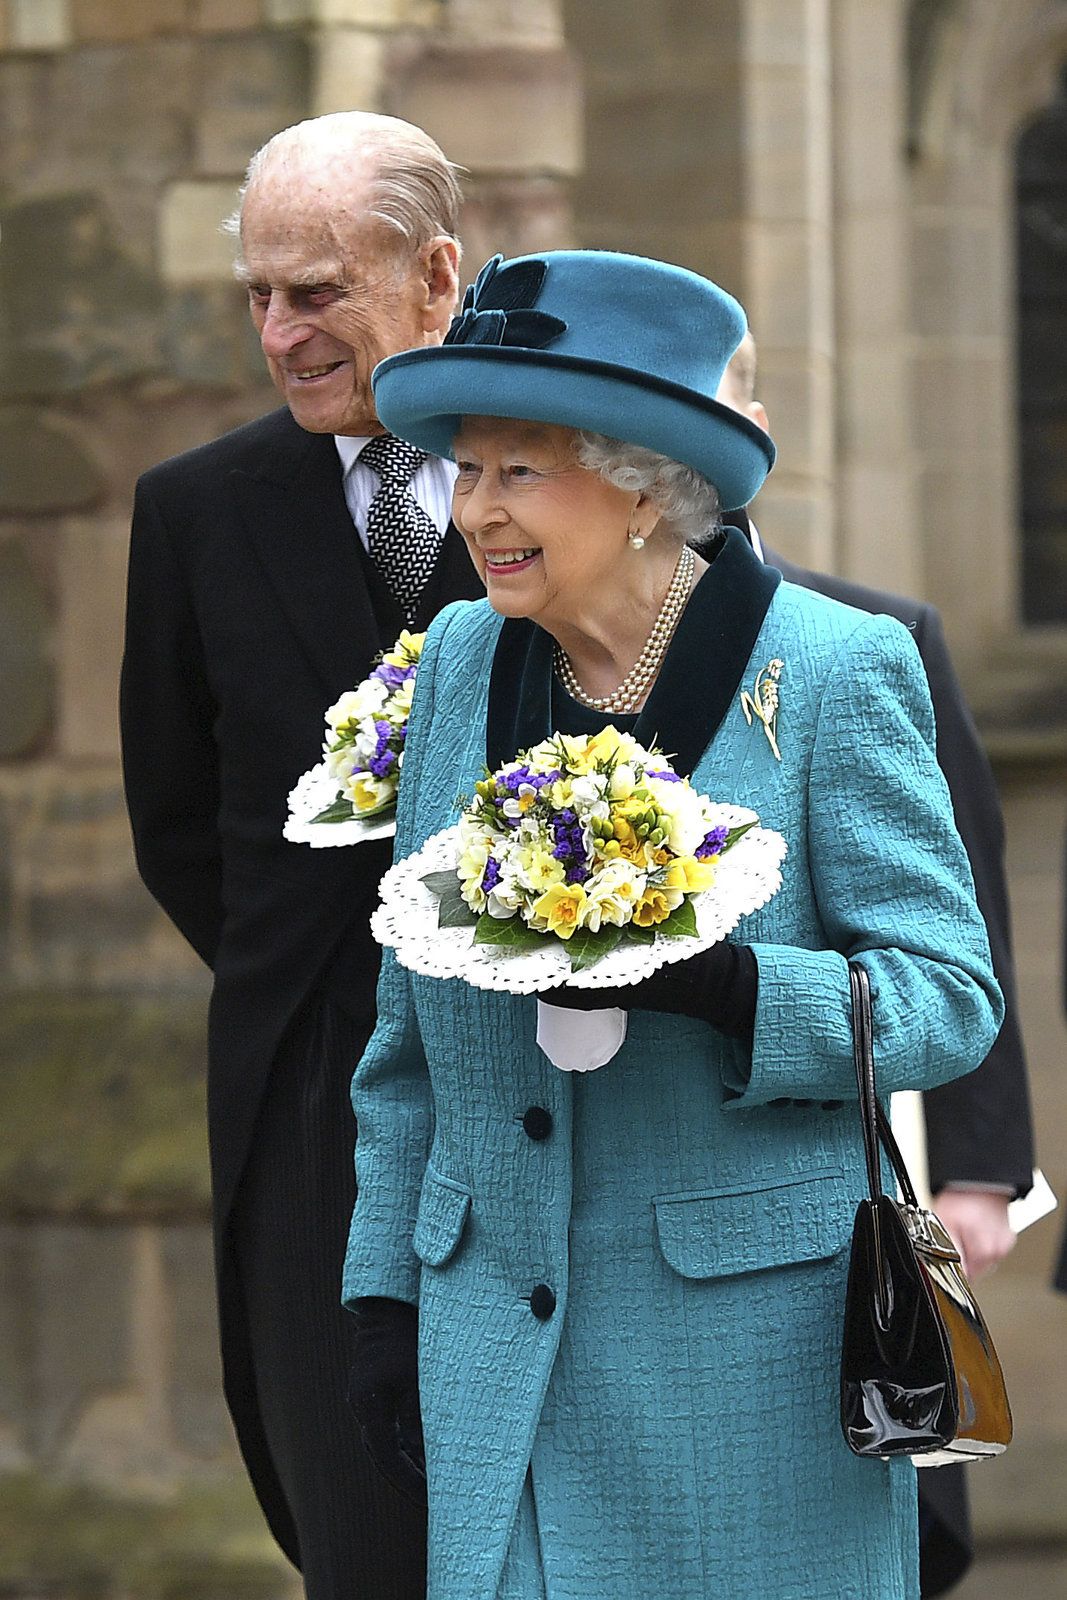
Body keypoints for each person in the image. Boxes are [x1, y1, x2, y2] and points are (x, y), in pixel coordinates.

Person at [341, 249, 1004, 1600]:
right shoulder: (459, 664)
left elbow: (944, 996)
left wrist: (732, 990)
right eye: (465, 471)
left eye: (517, 471)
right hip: (494, 1356)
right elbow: (402, 1039)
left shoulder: (828, 671)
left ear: (643, 482)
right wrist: (378, 1299)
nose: (473, 512)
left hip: (748, 1372)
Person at [120, 112, 483, 1600]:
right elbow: (174, 825)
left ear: (436, 276)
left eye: (317, 291)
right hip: (313, 1095)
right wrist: (339, 977)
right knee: (362, 1529)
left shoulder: (572, 481)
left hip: (572, 1066)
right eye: (257, 297)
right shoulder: (193, 512)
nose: (280, 333)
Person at [716, 336, 1036, 1595]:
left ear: (750, 417)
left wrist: (979, 1168)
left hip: (872, 1108)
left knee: (907, 1461)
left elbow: (966, 924)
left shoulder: (872, 638)